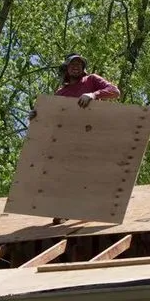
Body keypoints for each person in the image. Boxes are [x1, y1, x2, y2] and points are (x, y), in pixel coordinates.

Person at [31, 53, 121, 224]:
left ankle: (96, 206)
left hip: (93, 133)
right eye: (73, 64)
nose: (76, 66)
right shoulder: (61, 92)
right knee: (65, 172)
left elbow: (115, 92)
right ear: (66, 68)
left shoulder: (91, 80)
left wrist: (93, 95)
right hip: (72, 138)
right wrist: (37, 115)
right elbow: (52, 118)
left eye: (79, 64)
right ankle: (65, 209)